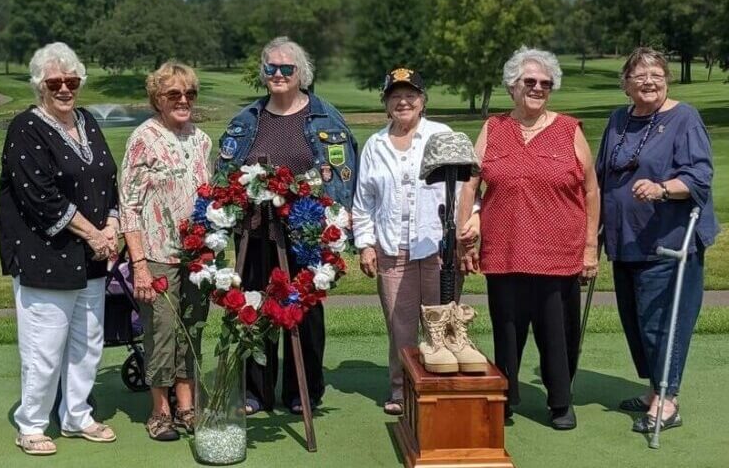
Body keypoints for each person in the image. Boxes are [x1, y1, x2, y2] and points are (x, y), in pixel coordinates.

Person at [457, 47, 599, 430]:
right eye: (530, 82)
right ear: (512, 86)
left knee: (557, 331)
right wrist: (465, 232)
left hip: (559, 252)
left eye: (545, 84)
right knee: (506, 330)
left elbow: (590, 190)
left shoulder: (569, 129)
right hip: (504, 250)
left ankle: (560, 401)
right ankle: (505, 396)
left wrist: (589, 247)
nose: (538, 88)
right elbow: (471, 184)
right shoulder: (493, 128)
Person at [215, 36, 358, 415]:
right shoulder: (248, 120)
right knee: (256, 307)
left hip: (305, 236)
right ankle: (255, 392)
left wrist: (335, 227)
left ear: (301, 74)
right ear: (263, 73)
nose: (278, 74)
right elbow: (224, 177)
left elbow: (340, 179)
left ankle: (303, 390)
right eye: (271, 68)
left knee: (305, 313)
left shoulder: (325, 118)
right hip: (256, 233)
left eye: (286, 69)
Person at [0, 42, 119, 455]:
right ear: (40, 86)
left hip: (92, 256)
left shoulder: (86, 121)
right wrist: (95, 233)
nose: (65, 88)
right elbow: (41, 197)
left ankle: (76, 416)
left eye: (72, 81)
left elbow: (108, 179)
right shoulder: (25, 129)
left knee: (88, 342)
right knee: (44, 348)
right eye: (55, 82)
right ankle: (31, 424)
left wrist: (114, 225)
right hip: (45, 254)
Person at [595, 47, 719, 433]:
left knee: (662, 323)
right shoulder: (619, 119)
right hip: (625, 241)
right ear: (626, 84)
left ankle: (668, 401)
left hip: (668, 243)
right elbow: (600, 176)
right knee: (635, 323)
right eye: (639, 75)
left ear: (667, 79)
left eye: (656, 75)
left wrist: (663, 188)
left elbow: (699, 177)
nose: (649, 81)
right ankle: (654, 389)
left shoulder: (685, 119)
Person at [119, 61, 212, 441]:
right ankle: (160, 409)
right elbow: (129, 205)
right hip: (157, 254)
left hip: (198, 256)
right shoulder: (143, 138)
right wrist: (138, 264)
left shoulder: (202, 140)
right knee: (161, 332)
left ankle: (186, 404)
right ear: (157, 99)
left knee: (193, 329)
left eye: (190, 93)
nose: (183, 100)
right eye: (174, 94)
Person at [352, 68, 452, 415]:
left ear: (423, 101)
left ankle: (439, 384)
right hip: (392, 248)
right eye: (395, 96)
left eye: (410, 95)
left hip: (437, 246)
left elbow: (466, 185)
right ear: (386, 103)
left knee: (441, 320)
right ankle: (401, 390)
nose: (404, 101)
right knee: (400, 324)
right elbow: (363, 202)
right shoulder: (375, 145)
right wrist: (365, 243)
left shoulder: (441, 135)